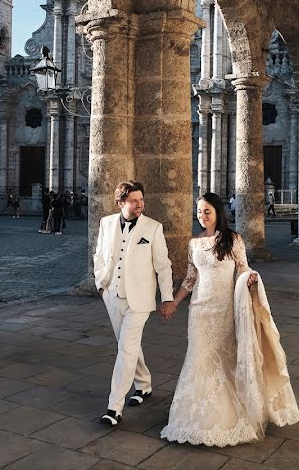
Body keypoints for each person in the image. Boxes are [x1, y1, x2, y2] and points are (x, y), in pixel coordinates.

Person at [160, 192, 299, 446]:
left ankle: (232, 412)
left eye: (207, 211)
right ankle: (194, 416)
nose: (202, 216)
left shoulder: (232, 239)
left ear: (218, 213)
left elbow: (243, 267)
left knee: (226, 358)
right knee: (198, 358)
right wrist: (174, 301)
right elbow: (191, 279)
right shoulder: (194, 243)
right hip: (200, 311)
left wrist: (250, 276)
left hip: (225, 310)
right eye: (199, 211)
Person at [93, 180, 175, 426]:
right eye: (134, 200)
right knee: (127, 345)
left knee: (126, 350)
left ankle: (114, 407)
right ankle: (144, 384)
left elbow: (163, 266)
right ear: (120, 202)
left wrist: (168, 297)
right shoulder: (106, 223)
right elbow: (99, 254)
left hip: (140, 300)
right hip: (112, 294)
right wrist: (101, 282)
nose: (139, 204)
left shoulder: (153, 228)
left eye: (141, 200)